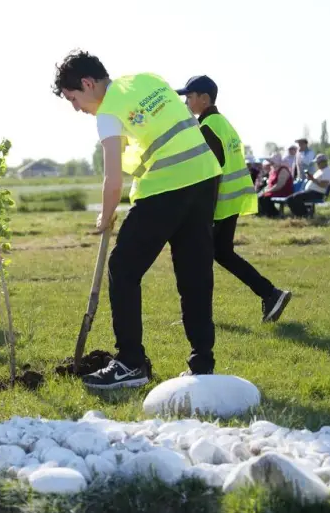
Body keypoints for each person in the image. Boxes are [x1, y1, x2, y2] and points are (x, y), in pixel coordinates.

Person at [52, 51, 223, 387]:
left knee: (123, 268)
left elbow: (112, 178)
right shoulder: (147, 80)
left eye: (73, 99)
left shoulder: (109, 111)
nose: (76, 108)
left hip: (166, 187)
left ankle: (130, 363)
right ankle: (202, 363)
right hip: (204, 177)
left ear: (87, 84)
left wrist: (105, 216)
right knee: (195, 274)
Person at [177, 76, 292, 323]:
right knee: (222, 254)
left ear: (204, 99)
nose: (186, 101)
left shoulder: (207, 128)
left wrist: (202, 212)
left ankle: (197, 317)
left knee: (198, 259)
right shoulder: (222, 123)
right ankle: (271, 294)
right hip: (230, 201)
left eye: (189, 96)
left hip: (217, 205)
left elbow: (210, 174)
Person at [256, 153, 294, 217]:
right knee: (259, 196)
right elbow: (269, 184)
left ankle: (274, 214)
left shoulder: (283, 170)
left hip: (283, 192)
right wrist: (263, 191)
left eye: (272, 161)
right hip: (274, 191)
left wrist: (268, 191)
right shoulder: (272, 170)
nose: (271, 163)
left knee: (264, 198)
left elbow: (280, 185)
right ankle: (262, 213)